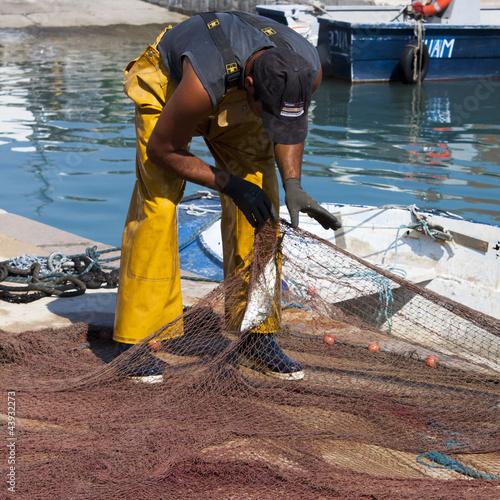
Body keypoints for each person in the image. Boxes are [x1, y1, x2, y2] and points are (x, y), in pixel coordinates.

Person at [113, 11, 341, 383]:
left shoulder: (305, 70)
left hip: (235, 99)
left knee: (263, 210)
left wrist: (293, 184)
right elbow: (163, 150)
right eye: (267, 111)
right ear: (250, 85)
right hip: (171, 87)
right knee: (158, 203)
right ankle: (134, 342)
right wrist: (231, 185)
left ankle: (258, 333)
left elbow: (290, 126)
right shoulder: (203, 83)